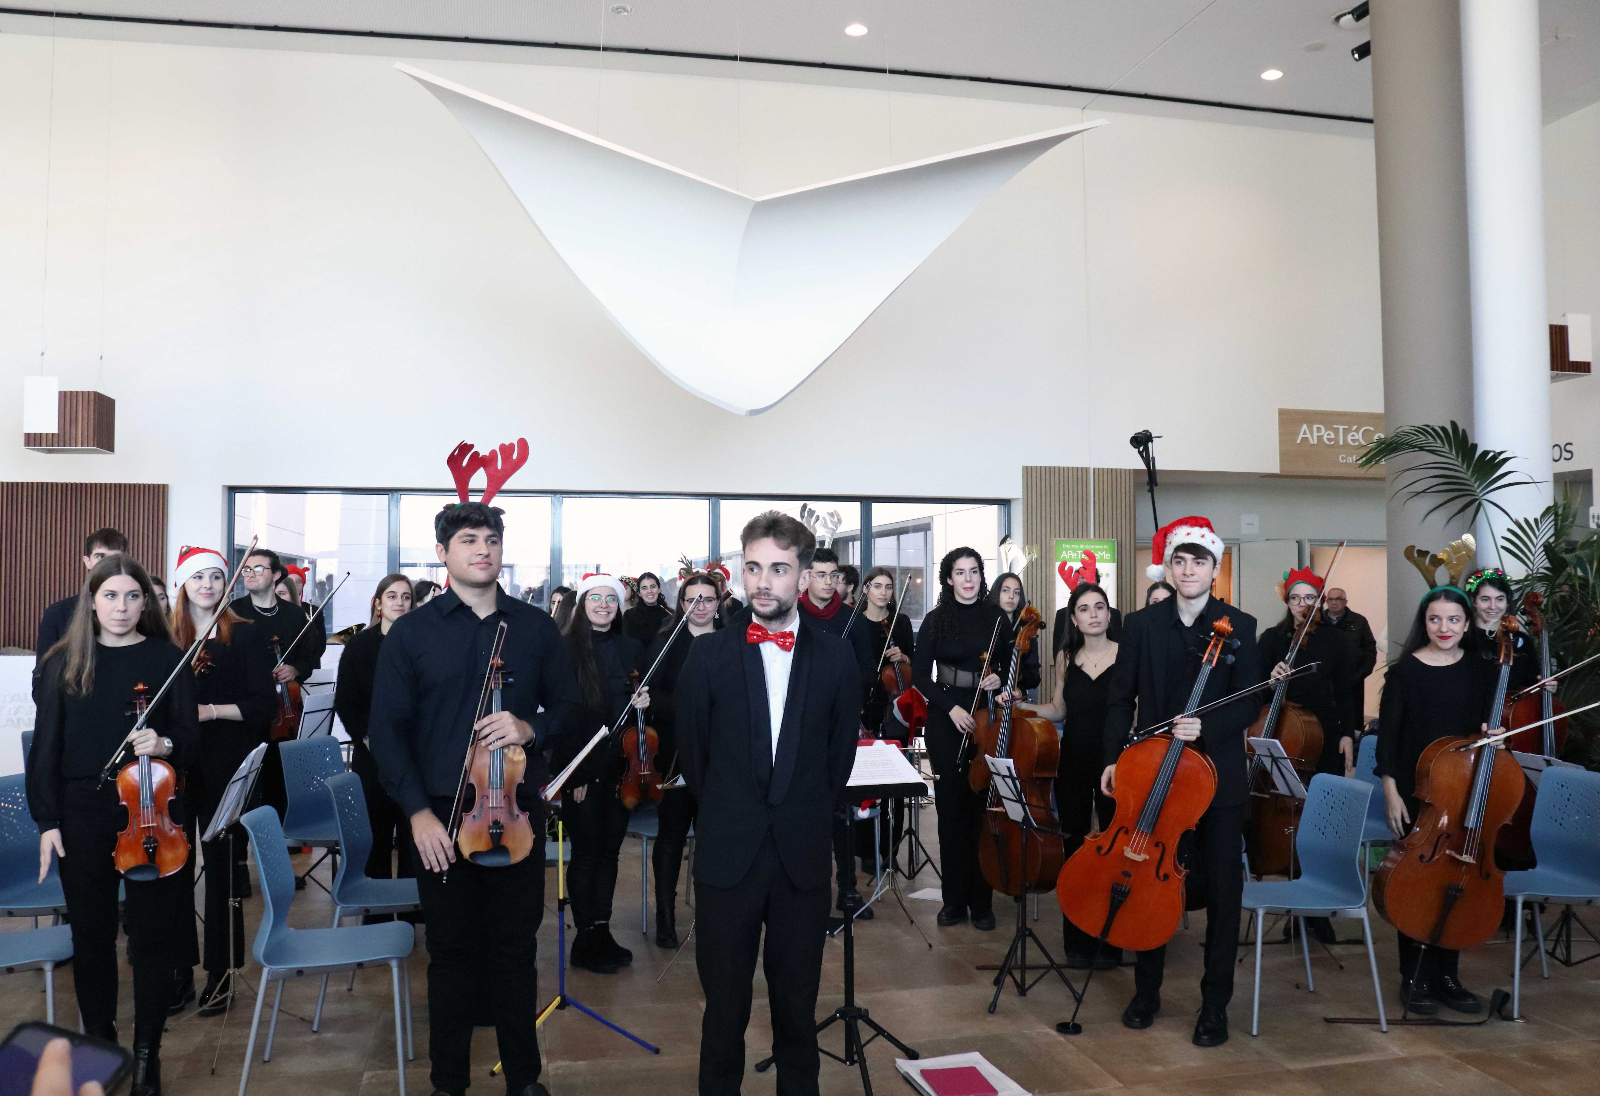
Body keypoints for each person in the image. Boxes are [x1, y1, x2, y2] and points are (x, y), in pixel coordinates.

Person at [367, 500, 580, 1096]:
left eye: (490, 539)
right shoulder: (412, 633)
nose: (482, 549)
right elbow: (387, 732)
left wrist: (530, 726)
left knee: (515, 951)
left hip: (514, 814)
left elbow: (569, 708)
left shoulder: (535, 628)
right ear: (443, 553)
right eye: (467, 540)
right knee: (451, 954)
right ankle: (447, 1084)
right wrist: (417, 815)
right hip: (438, 814)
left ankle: (525, 1080)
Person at [678, 511, 860, 1096]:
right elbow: (697, 759)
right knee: (723, 1015)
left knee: (796, 1014)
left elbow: (838, 765)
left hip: (801, 861)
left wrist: (800, 815)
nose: (763, 582)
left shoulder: (836, 659)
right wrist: (735, 813)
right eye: (753, 567)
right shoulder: (706, 658)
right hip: (728, 859)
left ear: (804, 576)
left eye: (779, 569)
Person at [29, 555, 199, 1096]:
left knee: (151, 938)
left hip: (151, 815)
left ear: (145, 602)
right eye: (110, 597)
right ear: (92, 601)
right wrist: (47, 821)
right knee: (93, 935)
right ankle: (99, 1050)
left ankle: (148, 1055)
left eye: (132, 597)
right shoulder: (64, 661)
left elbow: (190, 742)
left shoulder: (167, 659)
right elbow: (47, 748)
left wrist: (164, 743)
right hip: (81, 812)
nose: (121, 607)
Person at [1099, 517, 1262, 1047]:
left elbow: (1247, 700)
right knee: (1150, 879)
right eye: (1180, 560)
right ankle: (1147, 992)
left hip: (1216, 781)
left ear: (1215, 569)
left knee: (1222, 889)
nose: (1188, 569)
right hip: (1153, 775)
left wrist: (1206, 726)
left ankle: (1215, 1004)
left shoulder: (1240, 623)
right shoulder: (1142, 625)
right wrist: (1112, 759)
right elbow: (1121, 696)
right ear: (1167, 567)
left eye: (1200, 561)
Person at [1374, 586, 1497, 1015]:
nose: (1443, 628)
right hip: (1417, 793)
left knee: (1455, 883)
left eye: (1453, 620)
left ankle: (1447, 976)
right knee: (1415, 881)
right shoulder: (1405, 672)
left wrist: (1492, 733)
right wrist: (1391, 794)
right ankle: (1415, 977)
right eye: (1434, 619)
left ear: (1466, 624)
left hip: (1464, 792)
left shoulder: (1481, 671)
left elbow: (1484, 729)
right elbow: (1386, 741)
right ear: (1423, 623)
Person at [167, 547, 275, 1019]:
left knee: (223, 870)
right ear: (182, 584)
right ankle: (178, 972)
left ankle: (221, 974)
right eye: (198, 577)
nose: (208, 584)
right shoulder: (163, 638)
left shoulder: (245, 635)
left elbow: (262, 707)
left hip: (224, 760)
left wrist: (208, 711)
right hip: (173, 766)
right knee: (172, 869)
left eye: (216, 576)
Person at [1018, 582, 1122, 971]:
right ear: (1074, 618)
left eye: (1099, 607)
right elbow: (1059, 710)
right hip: (1074, 761)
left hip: (1116, 762)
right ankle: (1076, 939)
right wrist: (1023, 707)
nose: (1093, 614)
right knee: (1076, 849)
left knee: (1113, 849)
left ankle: (1112, 938)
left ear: (1109, 615)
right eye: (1084, 609)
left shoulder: (1127, 655)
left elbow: (1138, 712)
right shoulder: (1065, 657)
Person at [1254, 567, 1358, 943]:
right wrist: (1269, 681)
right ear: (1287, 602)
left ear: (1319, 601)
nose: (1302, 605)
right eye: (1295, 598)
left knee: (1321, 820)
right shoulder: (1270, 639)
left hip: (1323, 736)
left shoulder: (1333, 641)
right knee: (1284, 816)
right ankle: (1290, 894)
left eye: (1309, 598)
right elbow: (1253, 694)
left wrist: (1348, 733)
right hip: (1283, 734)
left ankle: (1317, 910)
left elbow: (1346, 691)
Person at [554, 572, 648, 974]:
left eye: (611, 599)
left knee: (609, 853)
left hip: (620, 767)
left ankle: (602, 928)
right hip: (583, 769)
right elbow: (561, 717)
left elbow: (643, 707)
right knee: (588, 854)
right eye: (596, 598)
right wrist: (572, 775)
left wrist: (645, 702)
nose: (604, 605)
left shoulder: (631, 648)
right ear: (582, 604)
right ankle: (585, 938)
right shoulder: (566, 649)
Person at [912, 547, 1006, 930]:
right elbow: (920, 676)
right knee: (951, 811)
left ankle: (982, 902)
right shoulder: (935, 620)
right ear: (948, 578)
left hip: (986, 715)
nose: (968, 580)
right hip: (947, 717)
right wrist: (950, 708)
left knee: (982, 811)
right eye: (960, 573)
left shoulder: (997, 618)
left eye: (974, 572)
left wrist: (1000, 677)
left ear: (981, 577)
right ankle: (953, 901)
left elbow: (1014, 667)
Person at [641, 571, 722, 947]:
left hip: (721, 758)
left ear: (719, 603)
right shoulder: (665, 641)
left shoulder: (731, 642)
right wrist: (688, 708)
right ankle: (665, 917)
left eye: (707, 599)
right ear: (681, 603)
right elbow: (652, 695)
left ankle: (713, 914)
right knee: (671, 836)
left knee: (714, 838)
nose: (700, 606)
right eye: (692, 599)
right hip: (673, 754)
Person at [334, 574, 417, 921]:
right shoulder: (359, 646)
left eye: (407, 597)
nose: (399, 602)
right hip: (372, 756)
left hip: (413, 754)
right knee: (378, 833)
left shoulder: (420, 644)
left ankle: (414, 909)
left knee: (413, 832)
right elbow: (346, 702)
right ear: (378, 602)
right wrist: (368, 740)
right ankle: (379, 911)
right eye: (392, 596)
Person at [230, 548, 325, 822]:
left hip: (285, 710)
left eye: (259, 568)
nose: (250, 573)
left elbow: (310, 656)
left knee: (279, 775)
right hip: (247, 712)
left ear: (276, 575)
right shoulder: (235, 613)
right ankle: (241, 846)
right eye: (246, 569)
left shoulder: (295, 615)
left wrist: (295, 669)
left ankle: (281, 836)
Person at [34, 528, 129, 701]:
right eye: (100, 556)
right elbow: (42, 678)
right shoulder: (57, 613)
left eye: (115, 557)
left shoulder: (133, 610)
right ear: (87, 561)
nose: (107, 564)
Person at [1461, 568, 1543, 694]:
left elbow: (1533, 685)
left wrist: (1546, 687)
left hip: (1512, 713)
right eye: (1485, 599)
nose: (1493, 606)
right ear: (1473, 601)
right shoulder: (1462, 638)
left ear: (1507, 601)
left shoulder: (1521, 641)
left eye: (1500, 599)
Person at [1320, 585, 1377, 730]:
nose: (1334, 602)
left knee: (1352, 723)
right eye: (1330, 599)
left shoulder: (1359, 621)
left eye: (1338, 599)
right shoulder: (1318, 621)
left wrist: (1360, 675)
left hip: (1352, 682)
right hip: (1324, 684)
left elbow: (1370, 650)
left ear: (1346, 601)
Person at [988, 572, 1042, 699]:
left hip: (1015, 699)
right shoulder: (985, 628)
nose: (1011, 596)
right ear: (996, 593)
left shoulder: (1026, 632)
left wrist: (1016, 679)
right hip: (986, 699)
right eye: (1005, 590)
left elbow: (1034, 678)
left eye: (1016, 592)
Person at [797, 546, 848, 636]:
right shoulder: (793, 616)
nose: (829, 582)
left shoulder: (853, 617)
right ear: (807, 577)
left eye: (833, 575)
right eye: (821, 575)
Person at [623, 571, 670, 644]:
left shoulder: (669, 615)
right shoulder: (629, 615)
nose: (649, 591)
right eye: (644, 588)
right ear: (639, 593)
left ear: (659, 589)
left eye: (653, 587)